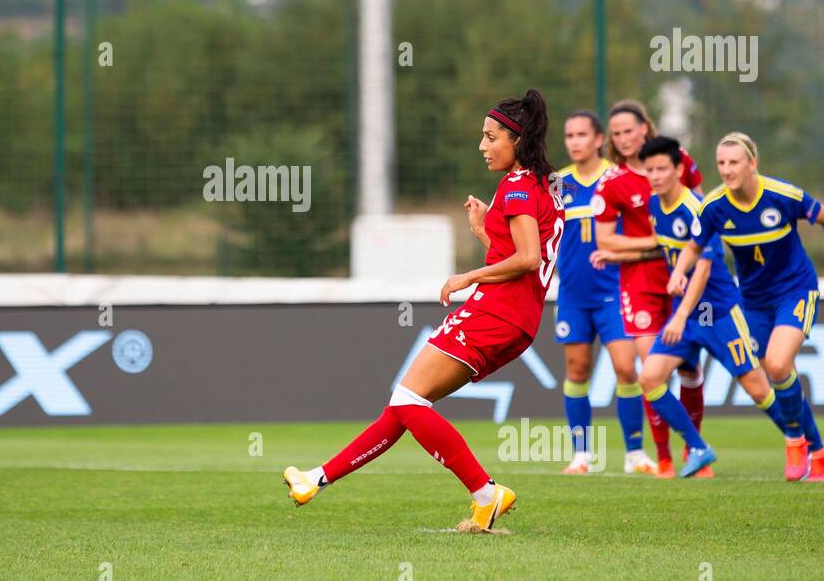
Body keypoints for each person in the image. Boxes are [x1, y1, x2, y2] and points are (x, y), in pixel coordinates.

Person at [283, 89, 564, 533]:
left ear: (517, 138)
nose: (482, 146)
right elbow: (523, 258)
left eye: (491, 137)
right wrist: (485, 234)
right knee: (405, 403)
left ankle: (486, 493)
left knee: (408, 399)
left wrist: (467, 276)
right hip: (516, 316)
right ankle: (314, 480)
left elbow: (528, 259)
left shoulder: (516, 186)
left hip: (496, 311)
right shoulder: (537, 186)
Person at [668, 132, 824, 481]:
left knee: (779, 365)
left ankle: (795, 441)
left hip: (795, 290)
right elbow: (693, 245)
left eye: (734, 162)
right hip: (752, 299)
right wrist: (678, 272)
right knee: (775, 373)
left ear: (753, 163)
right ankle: (820, 451)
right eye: (721, 163)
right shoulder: (714, 207)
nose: (727, 169)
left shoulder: (783, 196)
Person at [592, 100, 707, 476]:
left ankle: (694, 450)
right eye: (617, 133)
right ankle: (665, 458)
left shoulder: (679, 160)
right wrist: (655, 245)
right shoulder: (611, 182)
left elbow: (703, 216)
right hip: (639, 284)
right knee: (651, 373)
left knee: (690, 370)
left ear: (646, 128)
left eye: (630, 130)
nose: (624, 139)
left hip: (683, 280)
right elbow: (605, 242)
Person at [552, 110, 639, 474]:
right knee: (577, 370)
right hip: (573, 294)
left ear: (599, 139)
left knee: (625, 369)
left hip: (615, 291)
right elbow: (546, 235)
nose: (574, 141)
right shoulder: (557, 184)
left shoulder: (618, 179)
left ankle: (635, 454)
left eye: (581, 135)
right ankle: (582, 455)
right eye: (569, 135)